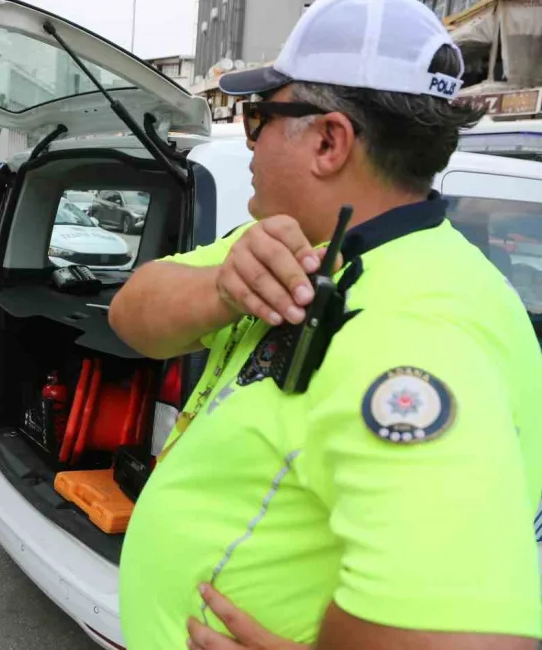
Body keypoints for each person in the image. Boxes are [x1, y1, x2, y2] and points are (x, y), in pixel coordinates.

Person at [110, 0, 542, 648]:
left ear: (328, 141)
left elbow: (473, 637)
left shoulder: (420, 323)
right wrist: (219, 287)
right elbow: (131, 315)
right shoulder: (295, 243)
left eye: (258, 116)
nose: (246, 135)